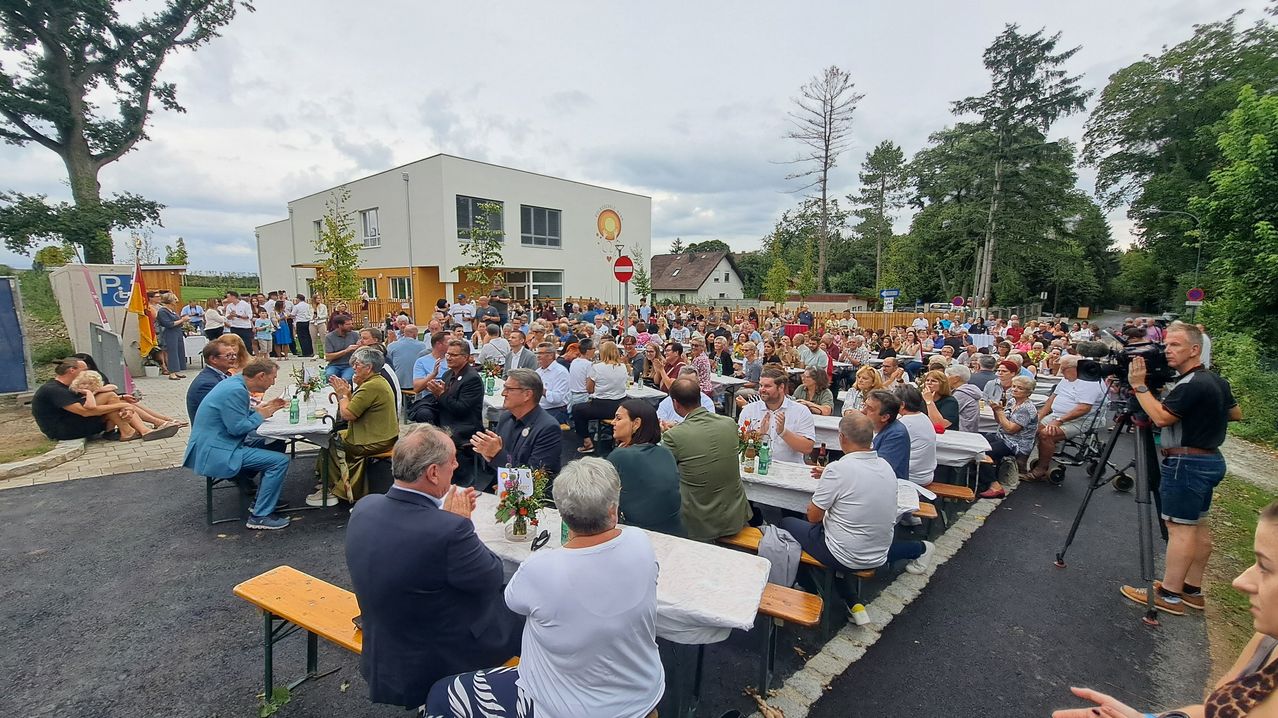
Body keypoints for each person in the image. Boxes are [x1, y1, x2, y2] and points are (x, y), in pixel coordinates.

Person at [428, 459, 664, 718]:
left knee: (442, 693)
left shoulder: (541, 568)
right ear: (612, 510)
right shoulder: (640, 542)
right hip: (642, 694)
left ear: (562, 515)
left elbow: (512, 601)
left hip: (562, 706)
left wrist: (461, 529)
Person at [346, 423, 523, 710]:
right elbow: (491, 577)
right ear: (432, 473)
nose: (456, 464)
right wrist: (461, 523)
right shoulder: (449, 531)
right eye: (452, 460)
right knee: (523, 607)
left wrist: (443, 519)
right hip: (438, 655)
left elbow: (414, 545)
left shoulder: (366, 507)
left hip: (386, 645)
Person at [1056, 501, 1278, 717]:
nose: (1240, 581)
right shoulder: (1268, 641)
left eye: (1265, 567)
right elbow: (1212, 711)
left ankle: (1169, 595)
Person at [1118, 322, 1241, 615]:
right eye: (1166, 344)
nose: (1167, 350)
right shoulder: (1215, 381)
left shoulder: (1191, 384)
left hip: (1187, 462)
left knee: (1180, 528)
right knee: (1198, 526)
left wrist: (1139, 386)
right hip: (1210, 459)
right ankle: (1192, 590)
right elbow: (1236, 413)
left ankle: (1170, 594)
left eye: (1175, 345)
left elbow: (1161, 418)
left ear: (1195, 349)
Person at [778, 412, 935, 576]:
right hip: (880, 552)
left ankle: (807, 584)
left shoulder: (838, 469)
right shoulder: (885, 466)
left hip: (843, 555)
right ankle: (919, 548)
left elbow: (814, 517)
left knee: (786, 523)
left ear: (842, 437)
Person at [182, 358, 292, 529]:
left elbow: (236, 414)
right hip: (217, 452)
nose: (274, 382)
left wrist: (264, 409)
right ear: (261, 376)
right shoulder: (236, 390)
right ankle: (259, 516)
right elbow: (237, 429)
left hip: (214, 446)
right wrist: (262, 414)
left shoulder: (233, 383)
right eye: (273, 378)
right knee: (279, 461)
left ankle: (261, 500)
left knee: (275, 443)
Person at [661, 377, 753, 542]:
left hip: (699, 522)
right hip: (735, 515)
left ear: (675, 403)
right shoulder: (729, 424)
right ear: (700, 397)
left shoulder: (674, 436)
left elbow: (660, 469)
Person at [313, 348, 399, 507]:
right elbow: (357, 407)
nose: (354, 367)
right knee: (336, 436)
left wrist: (342, 395)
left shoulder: (371, 386)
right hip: (383, 435)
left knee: (330, 442)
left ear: (369, 368)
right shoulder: (376, 381)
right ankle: (337, 481)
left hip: (375, 440)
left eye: (357, 365)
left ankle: (334, 488)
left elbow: (348, 414)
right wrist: (348, 393)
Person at [32, 359, 178, 442]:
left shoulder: (69, 387)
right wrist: (123, 405)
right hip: (63, 430)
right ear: (72, 371)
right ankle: (142, 429)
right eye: (83, 370)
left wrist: (122, 401)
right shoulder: (53, 390)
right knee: (112, 399)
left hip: (73, 422)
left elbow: (87, 404)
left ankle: (136, 429)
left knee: (114, 398)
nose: (86, 374)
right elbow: (84, 412)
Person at [410, 340, 484, 486]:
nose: (449, 357)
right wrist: (436, 393)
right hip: (446, 420)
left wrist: (441, 394)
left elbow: (461, 409)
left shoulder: (472, 378)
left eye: (454, 355)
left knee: (437, 441)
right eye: (448, 354)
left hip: (464, 425)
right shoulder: (449, 374)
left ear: (465, 357)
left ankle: (454, 480)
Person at [607, 399, 685, 537]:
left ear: (636, 423)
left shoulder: (620, 456)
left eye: (618, 418)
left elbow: (598, 495)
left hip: (638, 534)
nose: (613, 422)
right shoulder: (665, 452)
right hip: (675, 532)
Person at [471, 368, 564, 481]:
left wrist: (497, 454)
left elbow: (535, 477)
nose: (503, 393)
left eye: (509, 389)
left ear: (527, 394)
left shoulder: (548, 428)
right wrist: (487, 454)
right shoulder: (506, 418)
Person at [1025, 355, 1105, 482]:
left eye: (1063, 369)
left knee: (1047, 434)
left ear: (1074, 368)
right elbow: (1052, 398)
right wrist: (1039, 416)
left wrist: (1059, 421)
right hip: (1057, 415)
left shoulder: (1089, 382)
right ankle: (1020, 464)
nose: (1061, 372)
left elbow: (1084, 408)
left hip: (1081, 419)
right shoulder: (1066, 379)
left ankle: (1041, 468)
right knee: (1029, 428)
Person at [737, 366, 817, 464]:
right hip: (755, 465)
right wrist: (759, 434)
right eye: (761, 385)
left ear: (781, 388)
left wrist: (783, 432)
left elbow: (807, 448)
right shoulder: (749, 409)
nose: (762, 389)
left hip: (789, 468)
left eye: (767, 386)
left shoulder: (801, 411)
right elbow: (738, 443)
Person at [977, 375, 1038, 499]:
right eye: (1014, 386)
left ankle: (995, 486)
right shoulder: (1012, 401)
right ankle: (981, 476)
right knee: (977, 443)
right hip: (1003, 436)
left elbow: (1011, 430)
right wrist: (996, 410)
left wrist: (999, 412)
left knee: (983, 453)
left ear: (1028, 392)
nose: (1015, 389)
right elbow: (1000, 421)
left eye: (1019, 388)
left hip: (1016, 443)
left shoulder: (1026, 409)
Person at [574, 340, 629, 454]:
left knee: (577, 409)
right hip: (619, 406)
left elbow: (589, 389)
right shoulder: (623, 367)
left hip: (600, 407)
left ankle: (587, 441)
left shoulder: (597, 367)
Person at [893, 384, 938, 486]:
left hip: (912, 477)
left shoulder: (903, 424)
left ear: (902, 404)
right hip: (927, 474)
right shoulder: (924, 417)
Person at [186, 340, 242, 419]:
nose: (234, 358)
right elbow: (228, 412)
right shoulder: (207, 384)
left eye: (234, 355)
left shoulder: (222, 374)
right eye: (229, 355)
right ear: (213, 359)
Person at [862, 389, 910, 481]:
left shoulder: (896, 435)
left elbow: (880, 471)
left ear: (884, 417)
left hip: (890, 487)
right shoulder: (873, 426)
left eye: (869, 409)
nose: (863, 411)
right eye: (864, 405)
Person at [533, 342, 571, 425]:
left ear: (550, 355)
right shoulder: (538, 372)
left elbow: (557, 399)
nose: (538, 356)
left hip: (556, 411)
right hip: (540, 409)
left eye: (541, 353)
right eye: (537, 353)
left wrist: (540, 389)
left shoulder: (560, 372)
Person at [385, 323, 426, 393]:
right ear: (415, 335)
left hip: (398, 382)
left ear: (404, 333)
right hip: (417, 383)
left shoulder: (392, 346)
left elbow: (389, 363)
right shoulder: (422, 346)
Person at [156, 293, 188, 380]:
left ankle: (177, 370)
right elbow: (168, 324)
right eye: (174, 299)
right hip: (169, 333)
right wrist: (182, 320)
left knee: (179, 352)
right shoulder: (162, 311)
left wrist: (182, 322)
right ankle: (172, 372)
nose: (176, 301)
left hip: (177, 332)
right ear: (169, 301)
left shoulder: (172, 311)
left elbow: (177, 322)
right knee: (172, 353)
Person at [945, 364, 984, 433]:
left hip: (960, 431)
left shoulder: (961, 394)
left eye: (947, 375)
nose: (945, 379)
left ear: (956, 378)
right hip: (968, 429)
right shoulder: (967, 390)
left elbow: (946, 414)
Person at [323, 315, 360, 381]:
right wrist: (346, 351)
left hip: (350, 365)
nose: (351, 326)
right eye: (348, 324)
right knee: (329, 375)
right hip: (334, 365)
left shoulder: (355, 335)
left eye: (351, 323)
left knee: (346, 379)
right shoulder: (329, 337)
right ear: (340, 325)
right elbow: (328, 357)